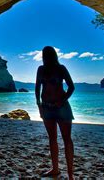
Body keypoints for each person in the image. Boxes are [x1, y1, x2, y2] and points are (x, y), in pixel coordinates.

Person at [35, 46, 75, 179]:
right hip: (46, 107)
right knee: (52, 139)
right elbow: (37, 88)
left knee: (67, 139)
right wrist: (39, 105)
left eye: (46, 55)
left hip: (62, 108)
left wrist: (62, 100)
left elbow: (71, 87)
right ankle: (55, 169)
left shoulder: (61, 68)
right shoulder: (41, 69)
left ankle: (70, 174)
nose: (45, 57)